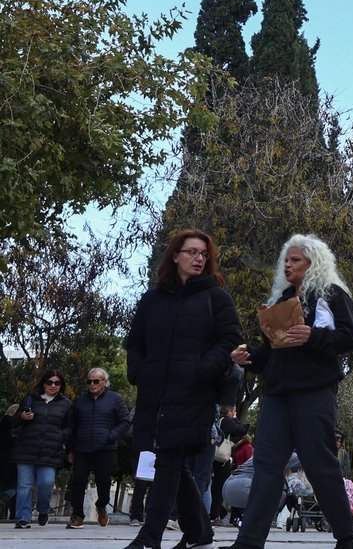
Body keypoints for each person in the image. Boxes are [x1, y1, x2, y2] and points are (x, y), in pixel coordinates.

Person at [221, 233, 353, 549]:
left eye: (295, 260)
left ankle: (347, 533)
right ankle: (249, 541)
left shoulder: (332, 294)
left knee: (319, 464)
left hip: (315, 392)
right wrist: (249, 357)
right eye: (286, 259)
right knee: (266, 465)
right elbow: (272, 352)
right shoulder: (281, 300)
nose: (287, 265)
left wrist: (313, 336)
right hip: (277, 395)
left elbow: (350, 337)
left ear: (313, 263)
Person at [124, 228, 243, 549]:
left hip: (195, 392)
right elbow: (135, 342)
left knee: (168, 457)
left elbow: (230, 340)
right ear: (175, 256)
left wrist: (202, 369)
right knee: (170, 459)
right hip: (155, 392)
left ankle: (149, 536)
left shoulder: (216, 298)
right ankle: (200, 534)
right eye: (191, 252)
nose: (198, 258)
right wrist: (138, 372)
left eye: (204, 253)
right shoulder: (153, 299)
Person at [65, 367, 132, 529]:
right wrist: (70, 450)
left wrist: (110, 436)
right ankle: (77, 515)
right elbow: (72, 426)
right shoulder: (80, 401)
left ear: (105, 382)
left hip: (105, 448)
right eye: (89, 381)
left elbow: (125, 421)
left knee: (103, 481)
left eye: (96, 381)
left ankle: (101, 506)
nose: (92, 384)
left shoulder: (115, 399)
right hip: (82, 448)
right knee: (77, 481)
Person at [10, 368, 75, 529]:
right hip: (26, 449)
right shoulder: (30, 399)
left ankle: (43, 510)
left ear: (61, 385)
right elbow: (13, 422)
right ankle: (23, 518)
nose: (53, 385)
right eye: (49, 382)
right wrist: (22, 417)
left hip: (50, 452)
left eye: (57, 383)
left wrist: (60, 436)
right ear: (44, 383)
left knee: (46, 483)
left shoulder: (66, 404)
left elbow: (70, 427)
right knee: (24, 486)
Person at [211, 406, 248, 525]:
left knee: (213, 486)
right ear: (229, 412)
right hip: (222, 460)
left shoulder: (218, 420)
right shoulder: (226, 421)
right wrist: (236, 419)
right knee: (219, 487)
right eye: (234, 411)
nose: (235, 413)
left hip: (214, 457)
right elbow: (242, 430)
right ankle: (215, 515)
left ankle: (215, 512)